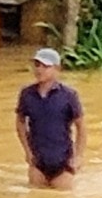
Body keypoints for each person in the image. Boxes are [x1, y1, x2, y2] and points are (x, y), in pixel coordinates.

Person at [15, 47, 86, 190]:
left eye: (46, 66)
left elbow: (81, 127)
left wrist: (78, 157)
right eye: (37, 65)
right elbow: (20, 122)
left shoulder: (69, 95)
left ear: (57, 69)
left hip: (63, 164)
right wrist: (27, 153)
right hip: (37, 163)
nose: (39, 70)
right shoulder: (26, 94)